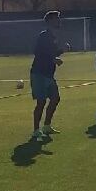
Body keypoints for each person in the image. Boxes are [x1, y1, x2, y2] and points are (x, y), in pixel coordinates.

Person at [30, 11, 69, 140]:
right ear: (50, 21)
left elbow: (52, 53)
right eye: (56, 19)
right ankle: (36, 130)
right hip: (39, 74)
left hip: (48, 74)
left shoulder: (53, 36)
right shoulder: (44, 36)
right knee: (41, 102)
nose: (59, 21)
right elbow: (38, 53)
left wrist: (62, 50)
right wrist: (54, 59)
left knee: (55, 98)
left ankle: (47, 126)